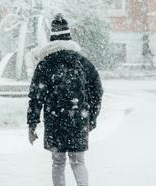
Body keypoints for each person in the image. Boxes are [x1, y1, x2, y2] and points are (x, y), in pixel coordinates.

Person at [27, 14, 103, 186]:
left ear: (52, 38)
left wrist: (32, 124)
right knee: (78, 161)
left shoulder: (45, 64)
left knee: (58, 162)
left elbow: (35, 96)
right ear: (69, 37)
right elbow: (97, 90)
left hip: (55, 121)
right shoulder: (82, 62)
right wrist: (91, 116)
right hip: (78, 118)